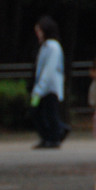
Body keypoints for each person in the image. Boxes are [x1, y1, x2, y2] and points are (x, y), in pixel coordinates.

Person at [31, 16, 68, 149]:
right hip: (42, 87)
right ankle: (49, 135)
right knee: (37, 111)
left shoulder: (53, 46)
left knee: (49, 113)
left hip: (50, 87)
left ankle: (55, 136)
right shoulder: (44, 46)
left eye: (39, 30)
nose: (38, 34)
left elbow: (49, 69)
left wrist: (39, 88)